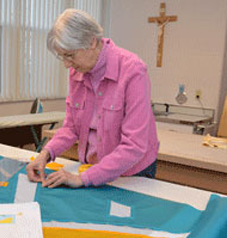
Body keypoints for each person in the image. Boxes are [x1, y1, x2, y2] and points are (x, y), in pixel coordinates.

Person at [26, 9, 159, 189]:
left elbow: (134, 145)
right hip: (92, 168)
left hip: (131, 173)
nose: (66, 64)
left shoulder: (133, 71)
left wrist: (83, 178)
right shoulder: (77, 71)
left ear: (91, 42)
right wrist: (45, 154)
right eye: (62, 57)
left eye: (70, 55)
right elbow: (71, 127)